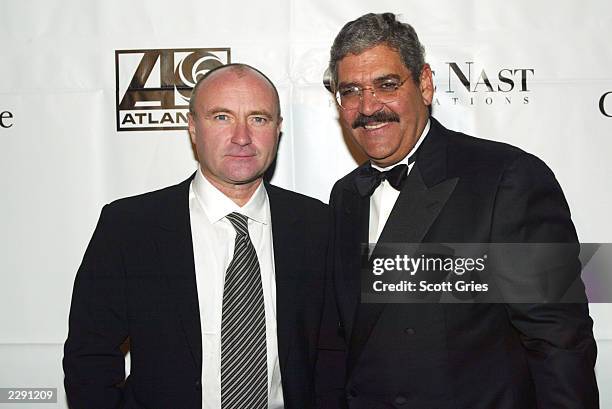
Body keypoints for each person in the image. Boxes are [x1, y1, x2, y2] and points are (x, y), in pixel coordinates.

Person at [326, 12, 598, 409]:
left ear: (425, 84)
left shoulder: (506, 179)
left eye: (386, 85)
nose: (368, 107)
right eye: (350, 91)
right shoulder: (345, 196)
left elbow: (558, 341)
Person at [64, 63, 328, 409]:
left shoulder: (319, 225)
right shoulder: (129, 227)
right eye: (222, 117)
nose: (242, 136)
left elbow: (335, 355)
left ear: (278, 129)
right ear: (192, 127)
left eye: (258, 119)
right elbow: (90, 356)